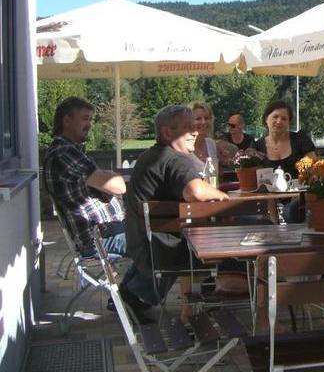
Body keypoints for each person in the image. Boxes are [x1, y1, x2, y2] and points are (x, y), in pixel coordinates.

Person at [123, 105, 229, 319]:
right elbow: (196, 191)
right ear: (167, 132)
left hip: (144, 244)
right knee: (237, 253)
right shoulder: (174, 159)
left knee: (203, 238)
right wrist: (225, 199)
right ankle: (254, 309)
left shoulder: (151, 156)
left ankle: (185, 307)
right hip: (165, 250)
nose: (195, 131)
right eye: (188, 127)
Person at [42, 97, 129, 259]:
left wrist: (105, 178)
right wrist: (111, 176)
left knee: (158, 237)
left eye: (90, 119)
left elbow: (105, 183)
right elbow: (118, 187)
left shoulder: (71, 151)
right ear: (67, 121)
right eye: (84, 119)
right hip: (100, 239)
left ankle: (137, 276)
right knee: (158, 244)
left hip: (109, 231)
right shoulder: (64, 153)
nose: (89, 124)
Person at [246, 100, 317, 222]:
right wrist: (275, 222)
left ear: (289, 122)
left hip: (302, 199)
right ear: (266, 119)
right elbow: (262, 185)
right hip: (270, 203)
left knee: (292, 211)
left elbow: (313, 165)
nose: (279, 121)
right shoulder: (257, 147)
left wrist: (298, 194)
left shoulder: (300, 139)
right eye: (275, 117)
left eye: (284, 118)